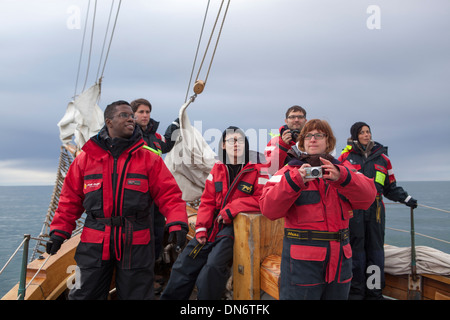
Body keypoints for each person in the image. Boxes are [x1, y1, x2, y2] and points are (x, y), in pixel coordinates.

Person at [46, 100, 188, 300]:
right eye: (124, 115)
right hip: (95, 240)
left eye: (132, 115)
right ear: (109, 122)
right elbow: (70, 199)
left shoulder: (149, 159)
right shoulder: (86, 159)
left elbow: (170, 196)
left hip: (136, 240)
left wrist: (178, 223)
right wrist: (59, 232)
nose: (131, 118)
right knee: (84, 295)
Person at [260, 119, 376, 300]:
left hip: (340, 264)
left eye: (319, 135)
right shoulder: (287, 172)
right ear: (303, 142)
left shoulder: (344, 170)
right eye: (308, 136)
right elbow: (268, 209)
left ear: (328, 142)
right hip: (301, 267)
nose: (313, 139)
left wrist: (342, 178)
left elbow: (368, 197)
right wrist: (294, 182)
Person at [160, 126, 269, 300]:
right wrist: (201, 227)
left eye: (240, 140)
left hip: (234, 228)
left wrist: (234, 207)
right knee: (183, 265)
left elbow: (263, 198)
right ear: (223, 146)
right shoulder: (218, 168)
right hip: (212, 226)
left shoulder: (259, 168)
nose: (236, 144)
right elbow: (208, 200)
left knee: (211, 269)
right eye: (230, 140)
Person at [338, 121, 418, 300]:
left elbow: (390, 186)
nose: (366, 135)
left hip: (376, 212)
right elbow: (340, 186)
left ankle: (374, 293)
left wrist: (405, 199)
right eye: (362, 132)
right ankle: (355, 294)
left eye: (368, 132)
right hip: (355, 212)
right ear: (355, 135)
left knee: (375, 253)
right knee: (356, 253)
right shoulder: (345, 157)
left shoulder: (383, 158)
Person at [130, 98, 180, 293]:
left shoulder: (155, 136)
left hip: (155, 194)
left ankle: (150, 272)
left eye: (147, 112)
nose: (145, 115)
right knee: (142, 236)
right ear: (133, 114)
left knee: (156, 234)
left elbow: (166, 145)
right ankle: (144, 279)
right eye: (141, 112)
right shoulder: (131, 135)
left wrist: (177, 123)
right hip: (138, 194)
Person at [265, 105, 308, 174]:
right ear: (286, 121)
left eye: (300, 117)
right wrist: (283, 145)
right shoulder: (275, 141)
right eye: (292, 117)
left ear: (305, 121)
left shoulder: (313, 140)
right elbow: (270, 169)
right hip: (283, 182)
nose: (296, 120)